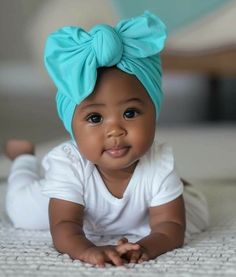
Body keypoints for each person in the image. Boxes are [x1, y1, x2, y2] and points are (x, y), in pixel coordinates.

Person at [4, 12, 209, 267]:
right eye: (94, 118)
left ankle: (173, 188)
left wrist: (144, 247)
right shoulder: (69, 165)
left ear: (154, 112)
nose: (115, 131)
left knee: (197, 216)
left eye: (130, 113)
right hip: (71, 196)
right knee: (21, 212)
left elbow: (171, 227)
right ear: (72, 127)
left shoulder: (158, 161)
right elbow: (63, 226)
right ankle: (23, 157)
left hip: (139, 204)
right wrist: (89, 251)